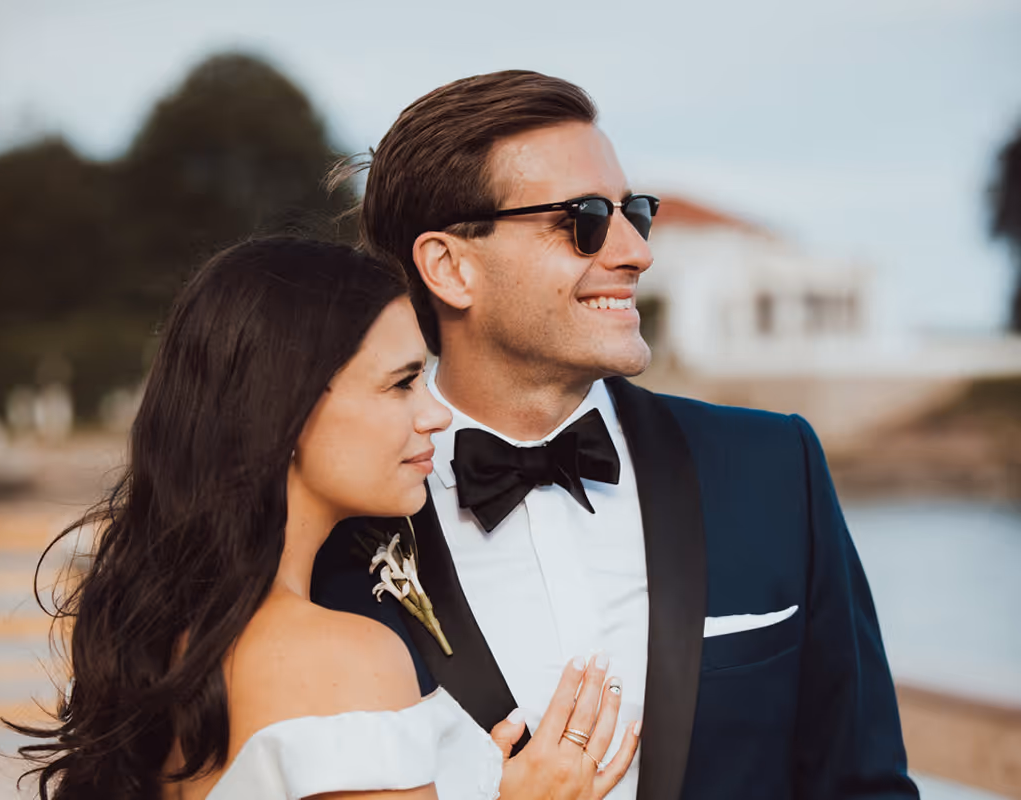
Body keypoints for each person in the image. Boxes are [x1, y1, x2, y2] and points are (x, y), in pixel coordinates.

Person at [313, 71, 920, 799]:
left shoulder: (773, 466)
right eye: (586, 218)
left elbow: (865, 782)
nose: (636, 251)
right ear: (450, 266)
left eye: (635, 211)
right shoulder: (333, 531)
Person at [8, 237, 640, 799]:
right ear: (282, 409)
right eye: (401, 385)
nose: (435, 415)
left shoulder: (180, 638)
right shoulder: (340, 659)